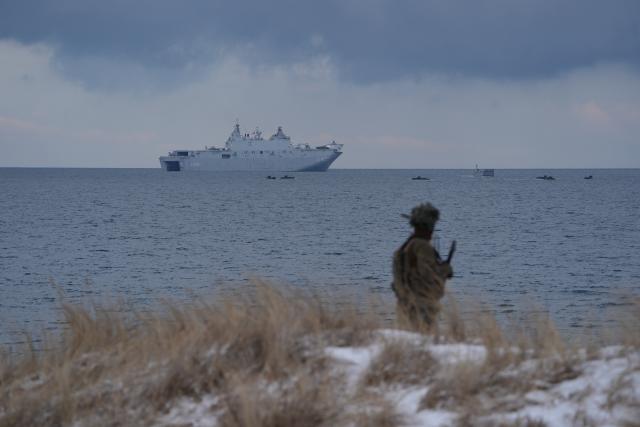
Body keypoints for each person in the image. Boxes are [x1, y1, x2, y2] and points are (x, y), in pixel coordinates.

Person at [392, 203, 453, 331]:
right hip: (422, 307)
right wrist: (445, 270)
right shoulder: (423, 247)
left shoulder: (404, 247)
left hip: (403, 305)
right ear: (428, 226)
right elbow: (428, 275)